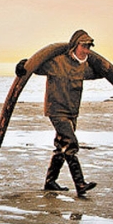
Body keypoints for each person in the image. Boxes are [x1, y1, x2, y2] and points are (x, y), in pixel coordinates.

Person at [16, 30, 101, 196]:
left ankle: (50, 182)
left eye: (89, 47)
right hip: (56, 110)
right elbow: (35, 67)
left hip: (72, 111)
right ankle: (80, 184)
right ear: (75, 46)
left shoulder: (83, 67)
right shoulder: (57, 62)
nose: (86, 51)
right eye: (84, 46)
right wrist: (22, 65)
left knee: (61, 146)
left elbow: (96, 74)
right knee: (71, 144)